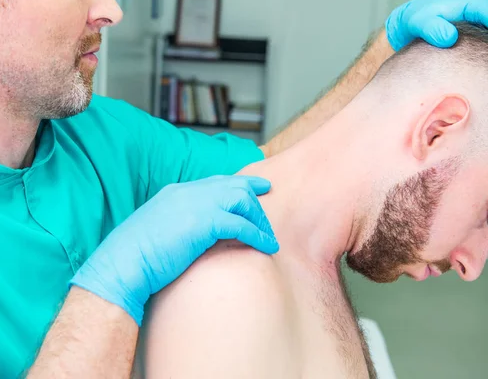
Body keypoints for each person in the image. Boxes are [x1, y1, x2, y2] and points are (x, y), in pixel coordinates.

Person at [0, 0, 485, 375]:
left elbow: (272, 173)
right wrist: (108, 290)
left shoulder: (97, 133)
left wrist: (386, 52)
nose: (110, 7)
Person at [134, 21, 488, 378]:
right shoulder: (229, 292)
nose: (472, 267)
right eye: (486, 216)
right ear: (436, 131)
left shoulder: (312, 264)